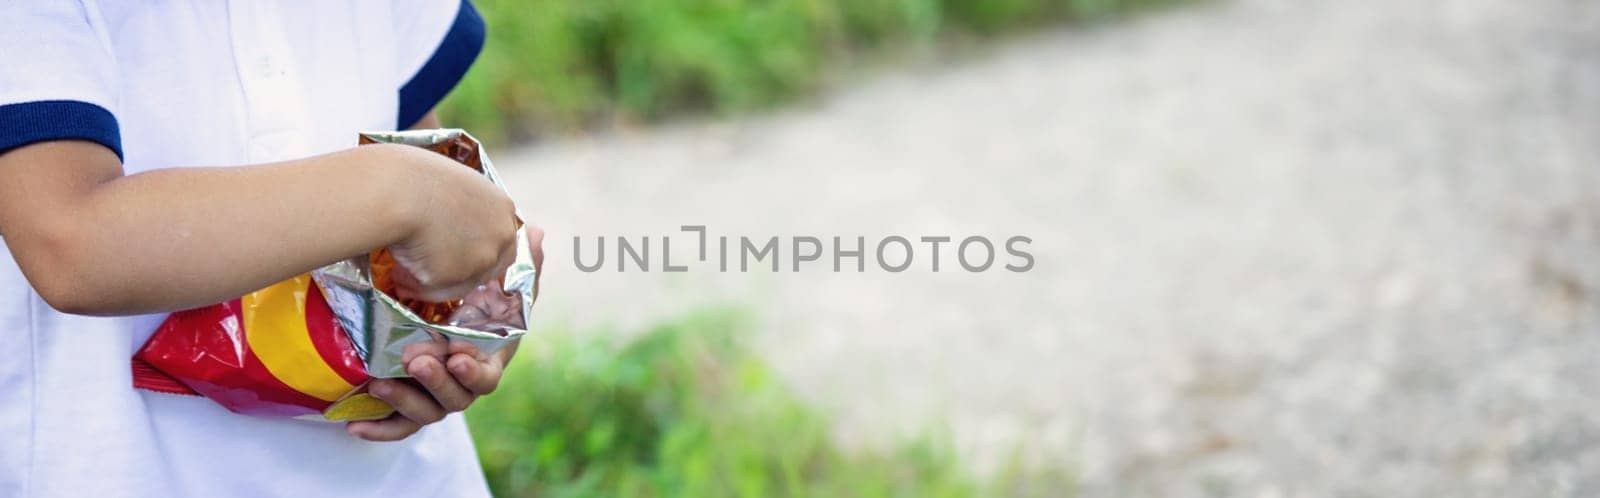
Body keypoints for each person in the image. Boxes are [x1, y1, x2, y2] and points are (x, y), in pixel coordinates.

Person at [0, 1, 542, 496]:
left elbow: (427, 162)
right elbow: (71, 243)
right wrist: (398, 189)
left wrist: (469, 318)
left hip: (400, 475)